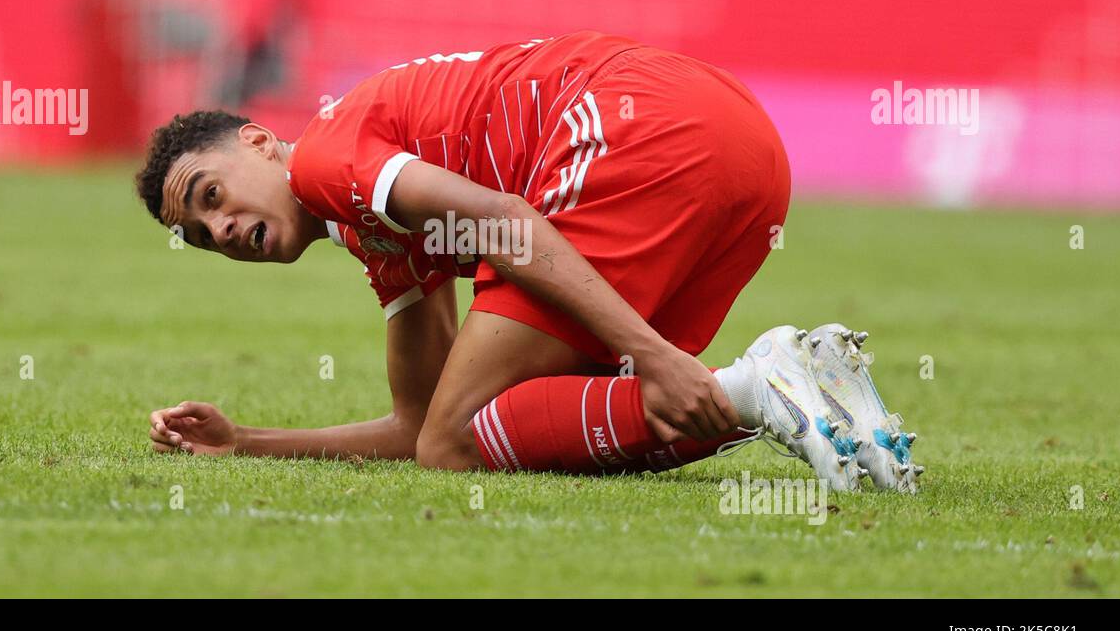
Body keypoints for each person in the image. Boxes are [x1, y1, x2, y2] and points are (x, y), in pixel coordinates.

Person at [135, 31, 921, 491]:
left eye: (210, 195)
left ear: (259, 142)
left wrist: (653, 354)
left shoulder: (325, 162)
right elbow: (418, 426)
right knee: (555, 413)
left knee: (478, 437)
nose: (223, 229)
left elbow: (509, 222)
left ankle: (756, 388)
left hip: (641, 127)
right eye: (202, 236)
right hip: (744, 149)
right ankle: (819, 394)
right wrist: (244, 442)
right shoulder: (375, 233)